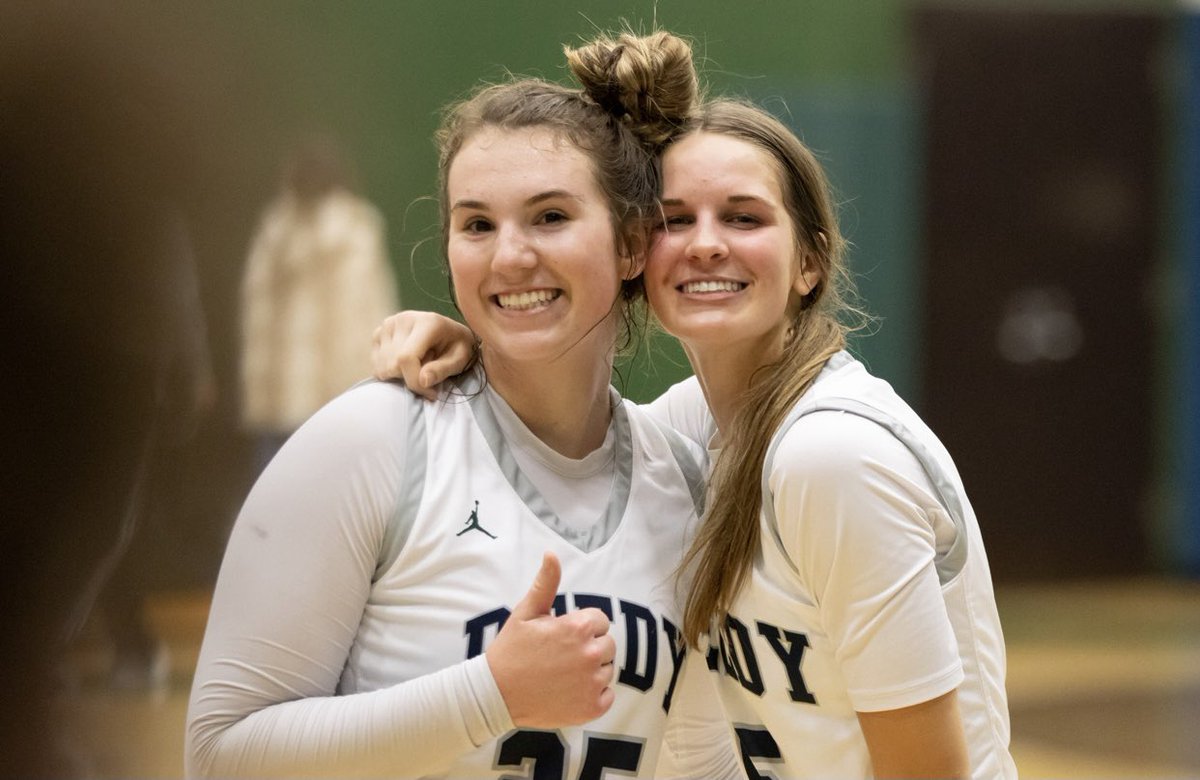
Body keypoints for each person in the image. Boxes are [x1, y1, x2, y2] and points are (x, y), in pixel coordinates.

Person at [372, 61, 1016, 780]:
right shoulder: (697, 422)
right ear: (640, 257)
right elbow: (564, 430)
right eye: (676, 220)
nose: (707, 243)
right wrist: (474, 344)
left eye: (743, 217)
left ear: (809, 262)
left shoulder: (831, 456)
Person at [186, 31, 742, 779]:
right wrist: (491, 694)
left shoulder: (688, 474)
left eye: (549, 216)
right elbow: (218, 756)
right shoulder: (371, 442)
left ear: (633, 242)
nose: (509, 256)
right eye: (477, 224)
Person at [239, 133, 398, 472]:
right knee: (331, 502)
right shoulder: (355, 229)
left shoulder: (276, 230)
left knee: (271, 501)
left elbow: (256, 318)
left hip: (278, 396)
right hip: (336, 396)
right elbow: (371, 311)